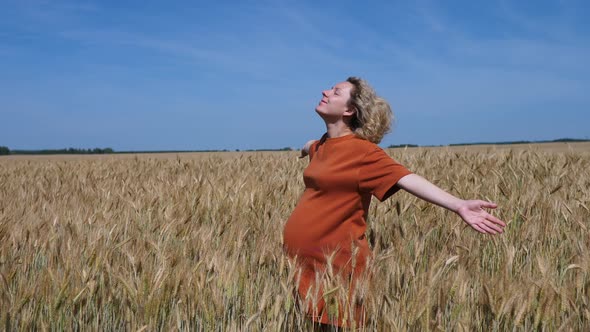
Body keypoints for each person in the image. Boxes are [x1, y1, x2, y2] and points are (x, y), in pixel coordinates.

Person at [282, 77, 506, 328]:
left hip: (337, 268)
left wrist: (458, 204)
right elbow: (313, 146)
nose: (325, 91)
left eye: (335, 91)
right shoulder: (322, 144)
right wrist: (305, 147)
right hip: (305, 266)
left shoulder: (363, 152)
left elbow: (406, 178)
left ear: (349, 110)